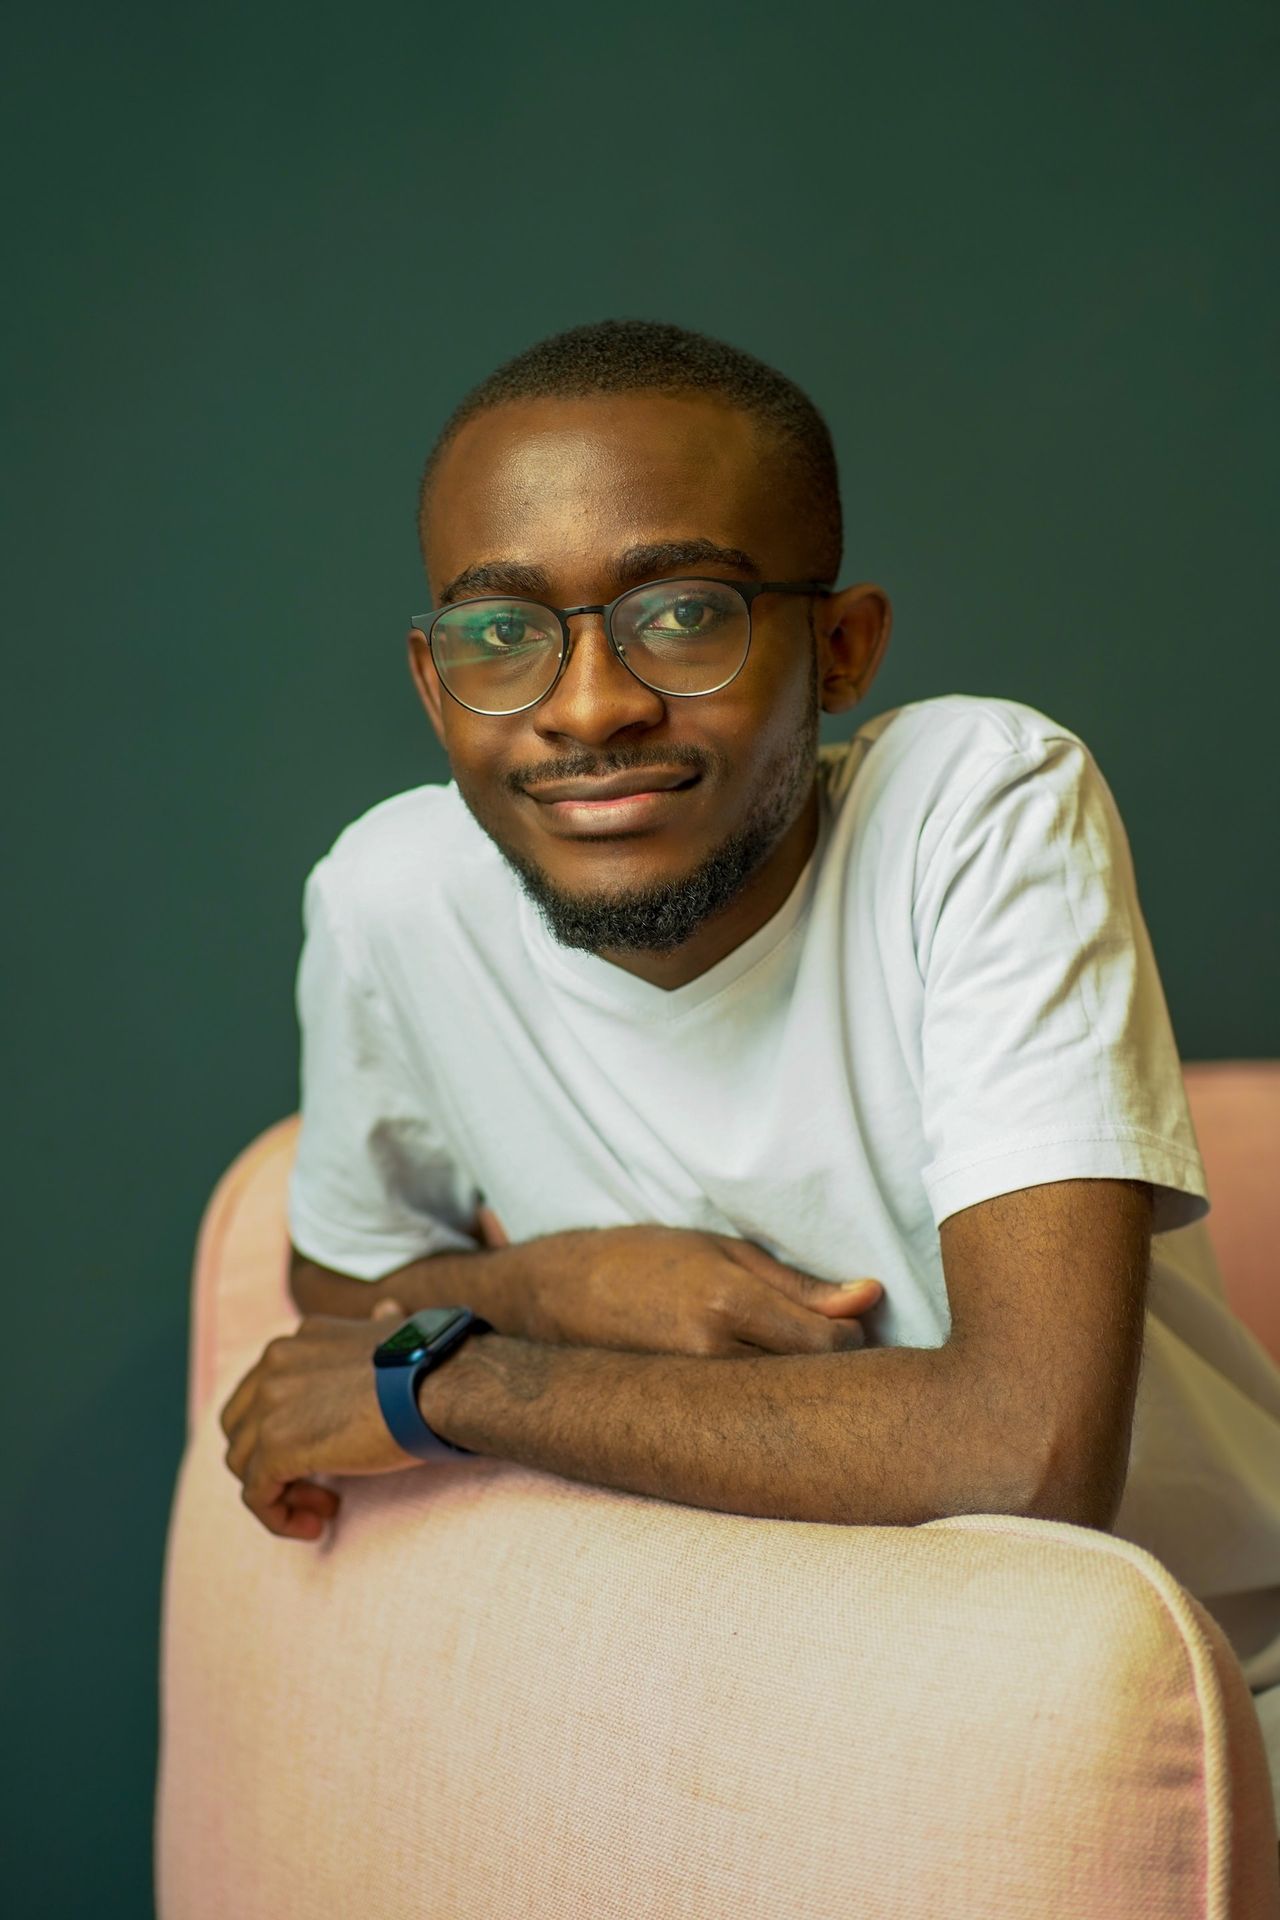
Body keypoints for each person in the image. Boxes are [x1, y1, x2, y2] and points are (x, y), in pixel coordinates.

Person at [279, 316, 1280, 1834]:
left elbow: (1025, 1452)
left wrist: (472, 1380)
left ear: (843, 646)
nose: (590, 704)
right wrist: (571, 1282)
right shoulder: (392, 897)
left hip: (1220, 1699)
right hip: (797, 1737)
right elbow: (336, 1290)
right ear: (433, 686)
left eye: (683, 613)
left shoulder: (977, 807)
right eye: (502, 636)